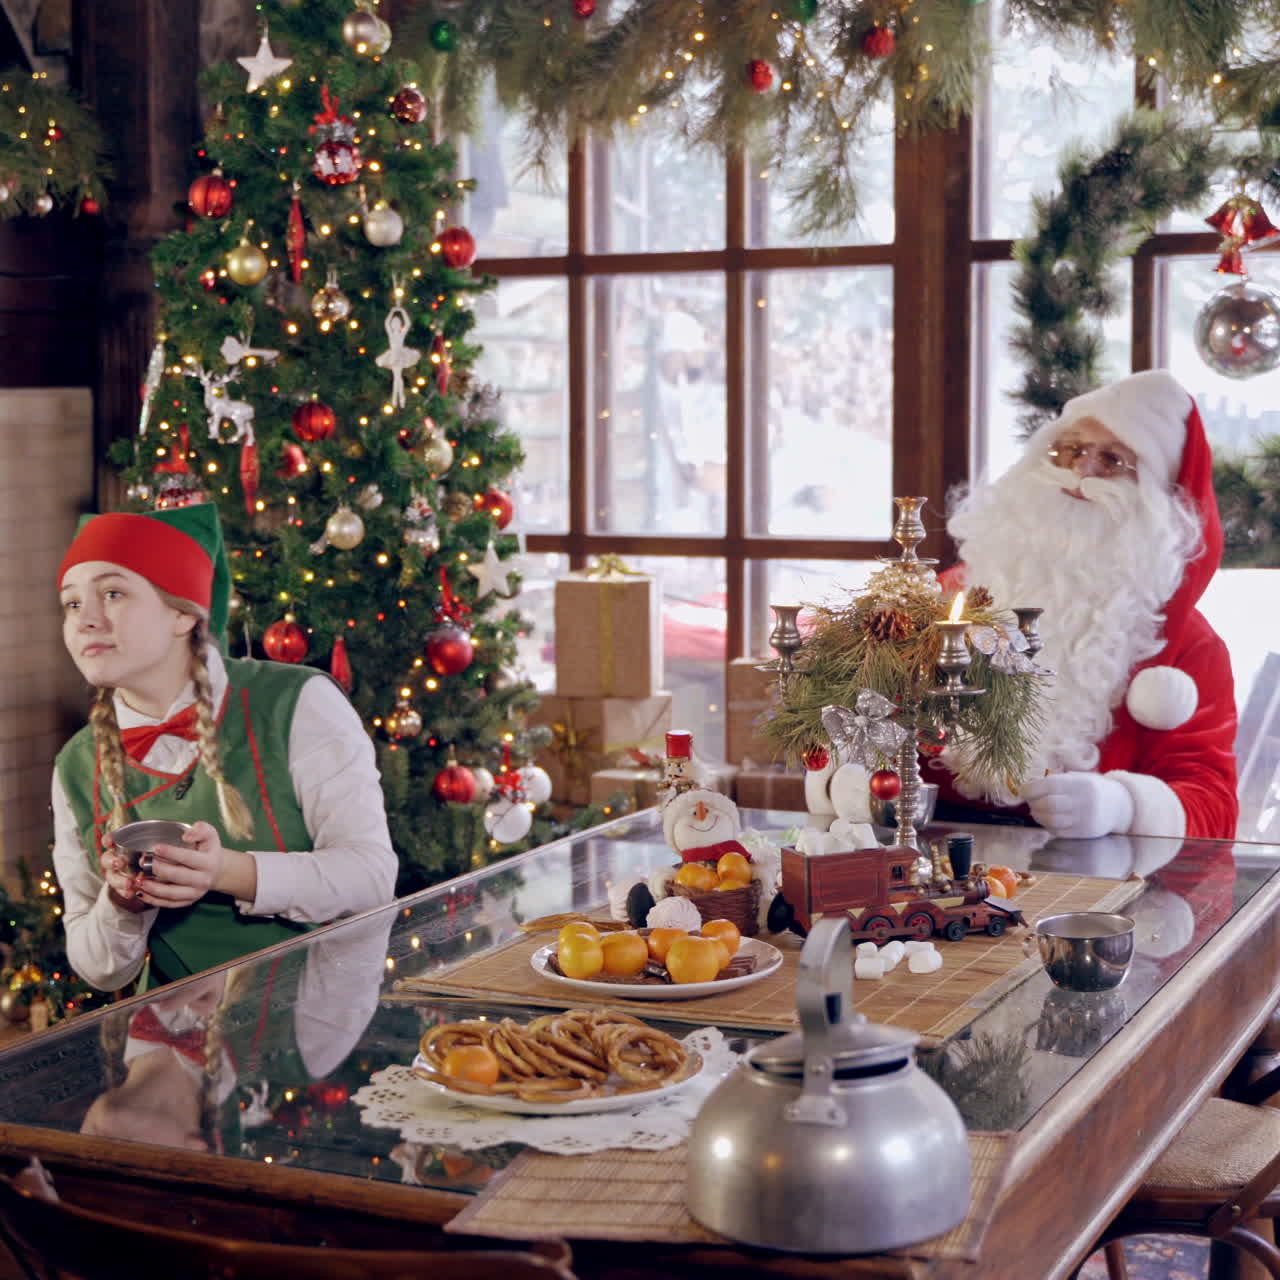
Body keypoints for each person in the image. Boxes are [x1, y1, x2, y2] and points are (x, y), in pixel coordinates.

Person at [52, 503, 397, 992]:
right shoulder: (75, 765)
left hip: (314, 1027)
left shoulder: (299, 703)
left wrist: (226, 871)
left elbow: (371, 878)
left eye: (112, 593)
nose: (85, 620)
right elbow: (100, 970)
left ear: (182, 614)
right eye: (70, 603)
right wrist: (122, 904)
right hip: (169, 1045)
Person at [935, 368, 1239, 842]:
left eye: (1113, 460)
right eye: (1072, 450)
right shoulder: (950, 601)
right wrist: (851, 781)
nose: (1082, 473)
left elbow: (1213, 804)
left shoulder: (1189, 646)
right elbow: (870, 716)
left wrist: (1124, 806)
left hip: (1096, 897)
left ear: (1154, 501)